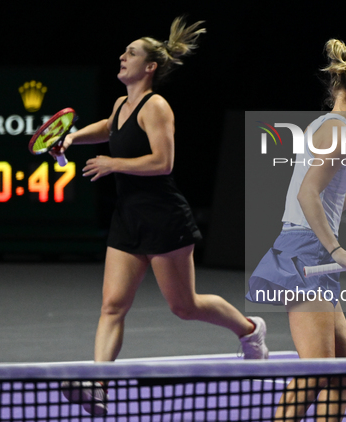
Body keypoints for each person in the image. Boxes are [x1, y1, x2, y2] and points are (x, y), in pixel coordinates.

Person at [56, 17, 268, 416]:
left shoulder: (157, 106)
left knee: (184, 306)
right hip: (128, 218)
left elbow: (163, 161)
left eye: (131, 53)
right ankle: (99, 385)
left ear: (150, 66)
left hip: (163, 217)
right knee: (112, 306)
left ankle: (251, 331)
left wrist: (113, 163)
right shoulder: (123, 104)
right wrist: (73, 137)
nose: (122, 57)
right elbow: (111, 127)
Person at [246, 39, 346, 421]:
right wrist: (337, 250)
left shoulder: (326, 127)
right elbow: (309, 195)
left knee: (345, 367)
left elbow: (329, 200)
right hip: (306, 251)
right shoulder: (338, 131)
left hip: (309, 248)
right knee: (318, 372)